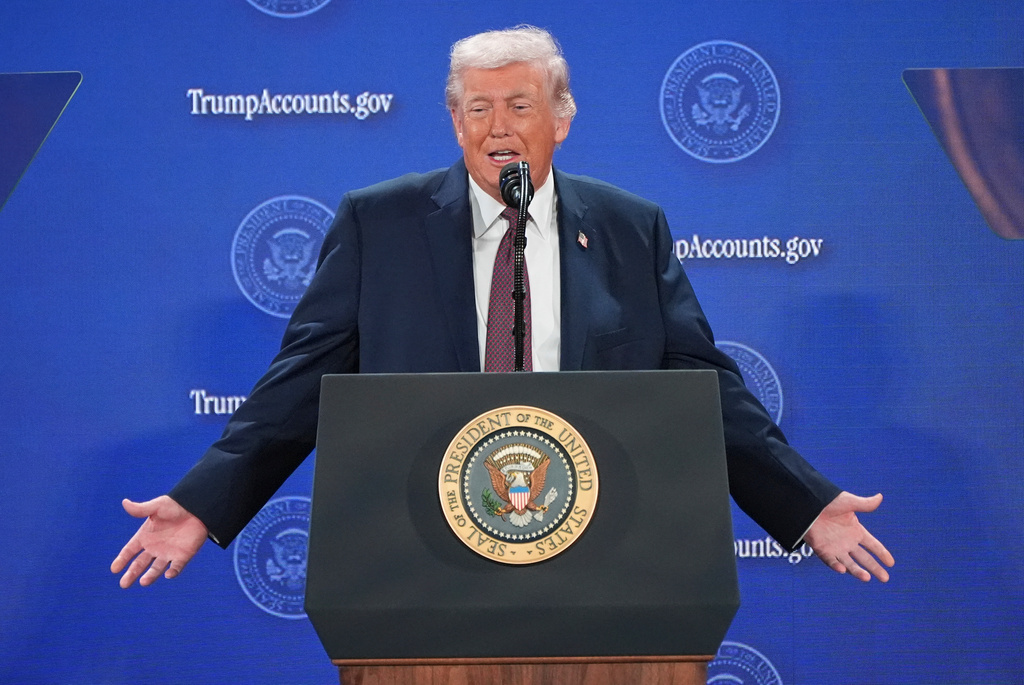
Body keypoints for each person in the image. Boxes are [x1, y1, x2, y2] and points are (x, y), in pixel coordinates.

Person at [113, 25, 893, 589]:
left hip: (602, 561)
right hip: (419, 562)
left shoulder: (629, 229)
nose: (497, 129)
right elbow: (300, 381)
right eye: (477, 109)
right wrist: (204, 500)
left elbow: (704, 388)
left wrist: (805, 502)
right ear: (456, 123)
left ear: (562, 119)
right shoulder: (379, 224)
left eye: (519, 105)